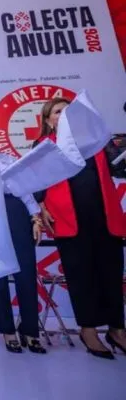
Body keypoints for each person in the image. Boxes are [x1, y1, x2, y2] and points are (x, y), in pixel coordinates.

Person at [34, 97, 126, 360]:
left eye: (67, 111)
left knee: (111, 275)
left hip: (105, 219)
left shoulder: (97, 142)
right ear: (48, 121)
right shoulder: (42, 147)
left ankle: (117, 330)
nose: (63, 116)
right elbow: (36, 185)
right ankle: (88, 330)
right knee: (81, 277)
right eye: (57, 112)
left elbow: (119, 168)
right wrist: (41, 207)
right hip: (69, 222)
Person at [0, 128, 46, 354]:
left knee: (26, 274)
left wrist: (35, 218)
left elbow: (26, 191)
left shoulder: (9, 160)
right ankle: (7, 330)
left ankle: (30, 330)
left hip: (16, 213)